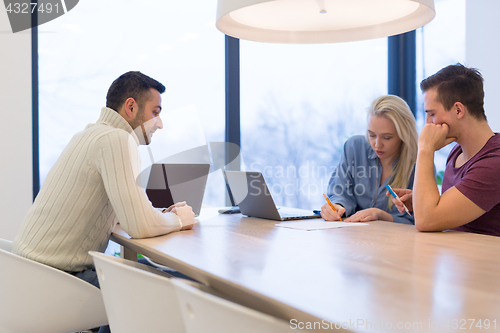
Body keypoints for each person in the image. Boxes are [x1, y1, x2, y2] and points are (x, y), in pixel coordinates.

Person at [13, 72, 195, 331]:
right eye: (155, 112)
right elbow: (138, 226)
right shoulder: (117, 140)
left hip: (30, 276)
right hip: (57, 281)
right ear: (131, 107)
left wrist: (158, 214)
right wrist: (178, 219)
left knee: (142, 275)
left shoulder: (89, 135)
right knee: (170, 284)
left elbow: (124, 211)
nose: (160, 123)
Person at [391, 64, 500, 237]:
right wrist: (421, 201)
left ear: (458, 110)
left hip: (486, 262)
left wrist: (425, 149)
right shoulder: (456, 153)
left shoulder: (495, 162)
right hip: (457, 259)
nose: (428, 123)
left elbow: (427, 221)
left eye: (432, 114)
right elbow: (442, 214)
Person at [320, 95, 417, 224]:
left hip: (396, 242)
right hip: (353, 238)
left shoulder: (419, 165)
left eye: (387, 137)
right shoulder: (354, 148)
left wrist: (380, 215)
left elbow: (418, 221)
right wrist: (337, 207)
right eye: (371, 135)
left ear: (403, 135)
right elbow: (340, 192)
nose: (377, 144)